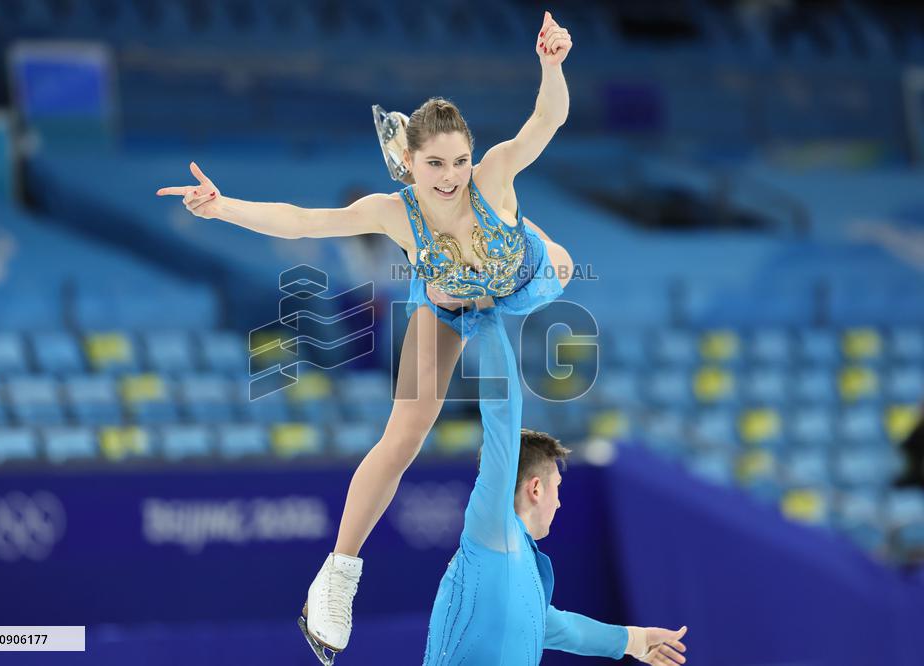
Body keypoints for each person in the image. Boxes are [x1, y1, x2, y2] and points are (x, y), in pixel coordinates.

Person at [157, 11, 576, 662]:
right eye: (435, 164)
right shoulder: (394, 211)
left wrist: (552, 66)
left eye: (457, 161)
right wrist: (223, 205)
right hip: (448, 305)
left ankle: (525, 246)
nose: (451, 176)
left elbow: (545, 121)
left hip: (524, 279)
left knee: (563, 264)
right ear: (411, 165)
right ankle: (337, 576)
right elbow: (301, 222)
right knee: (404, 433)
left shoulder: (491, 177)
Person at [423, 310, 688, 665]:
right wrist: (486, 316)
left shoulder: (520, 572)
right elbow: (502, 417)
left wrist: (637, 640)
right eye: (557, 487)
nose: (560, 503)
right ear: (535, 489)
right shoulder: (494, 532)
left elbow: (563, 628)